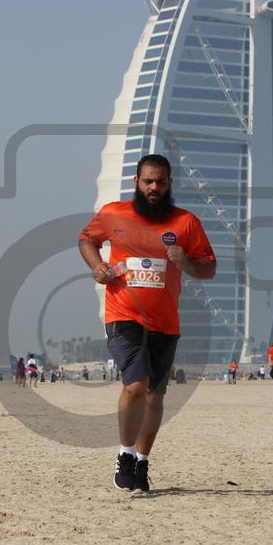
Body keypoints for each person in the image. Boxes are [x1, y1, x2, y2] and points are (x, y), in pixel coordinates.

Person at [79, 153, 216, 492]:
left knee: (155, 397)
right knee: (136, 385)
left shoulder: (186, 222)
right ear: (136, 182)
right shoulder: (114, 213)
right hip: (124, 315)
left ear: (170, 184)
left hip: (165, 323)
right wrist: (97, 266)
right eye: (148, 181)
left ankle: (142, 461)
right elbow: (86, 240)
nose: (154, 187)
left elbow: (209, 268)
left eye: (161, 182)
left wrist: (186, 263)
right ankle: (125, 454)